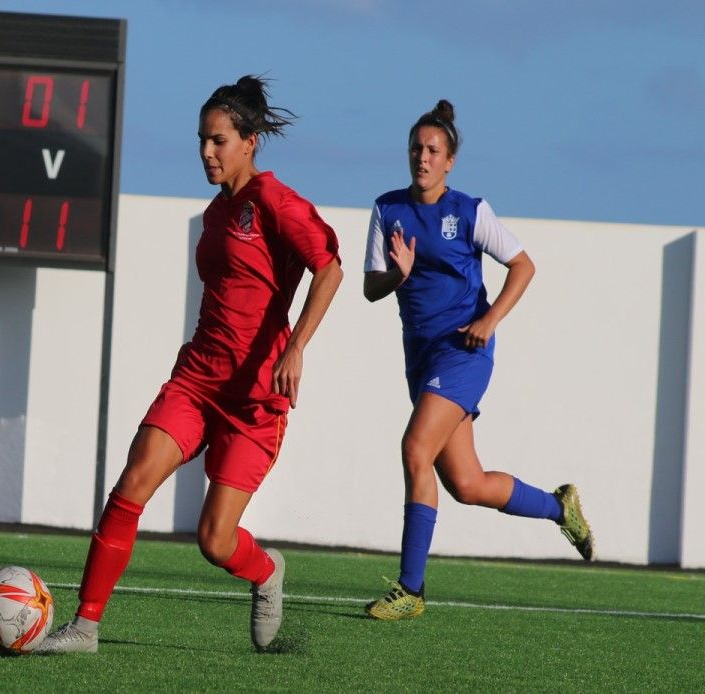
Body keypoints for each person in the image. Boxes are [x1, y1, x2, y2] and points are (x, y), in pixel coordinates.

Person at [39, 75, 343, 654]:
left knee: (214, 539)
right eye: (202, 140)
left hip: (254, 400)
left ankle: (266, 573)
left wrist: (296, 346)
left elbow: (330, 270)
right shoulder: (215, 213)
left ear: (249, 141)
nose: (206, 151)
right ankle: (84, 627)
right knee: (133, 482)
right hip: (197, 380)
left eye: (218, 140)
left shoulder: (277, 203)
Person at [361, 100, 594, 621]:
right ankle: (560, 506)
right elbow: (370, 289)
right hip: (420, 357)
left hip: (464, 351)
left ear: (450, 161)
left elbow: (523, 265)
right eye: (416, 149)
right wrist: (396, 277)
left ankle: (410, 590)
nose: (422, 158)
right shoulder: (387, 210)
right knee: (466, 483)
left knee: (414, 448)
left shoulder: (468, 211)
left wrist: (489, 323)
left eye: (433, 151)